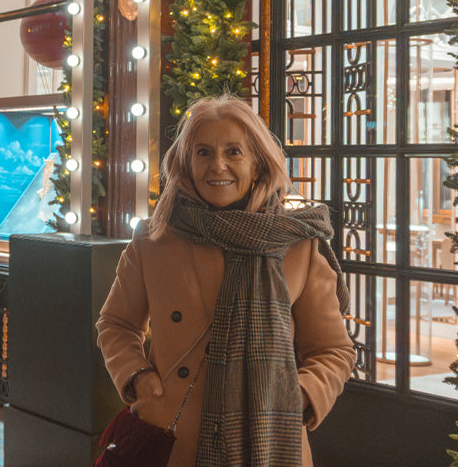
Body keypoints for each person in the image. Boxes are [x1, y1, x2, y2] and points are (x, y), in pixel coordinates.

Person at [96, 95, 355, 467]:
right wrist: (138, 378)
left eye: (234, 151)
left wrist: (295, 396)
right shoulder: (153, 240)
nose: (218, 165)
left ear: (257, 163)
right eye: (203, 152)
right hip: (171, 438)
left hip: (270, 441)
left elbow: (333, 350)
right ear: (186, 162)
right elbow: (116, 324)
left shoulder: (298, 245)